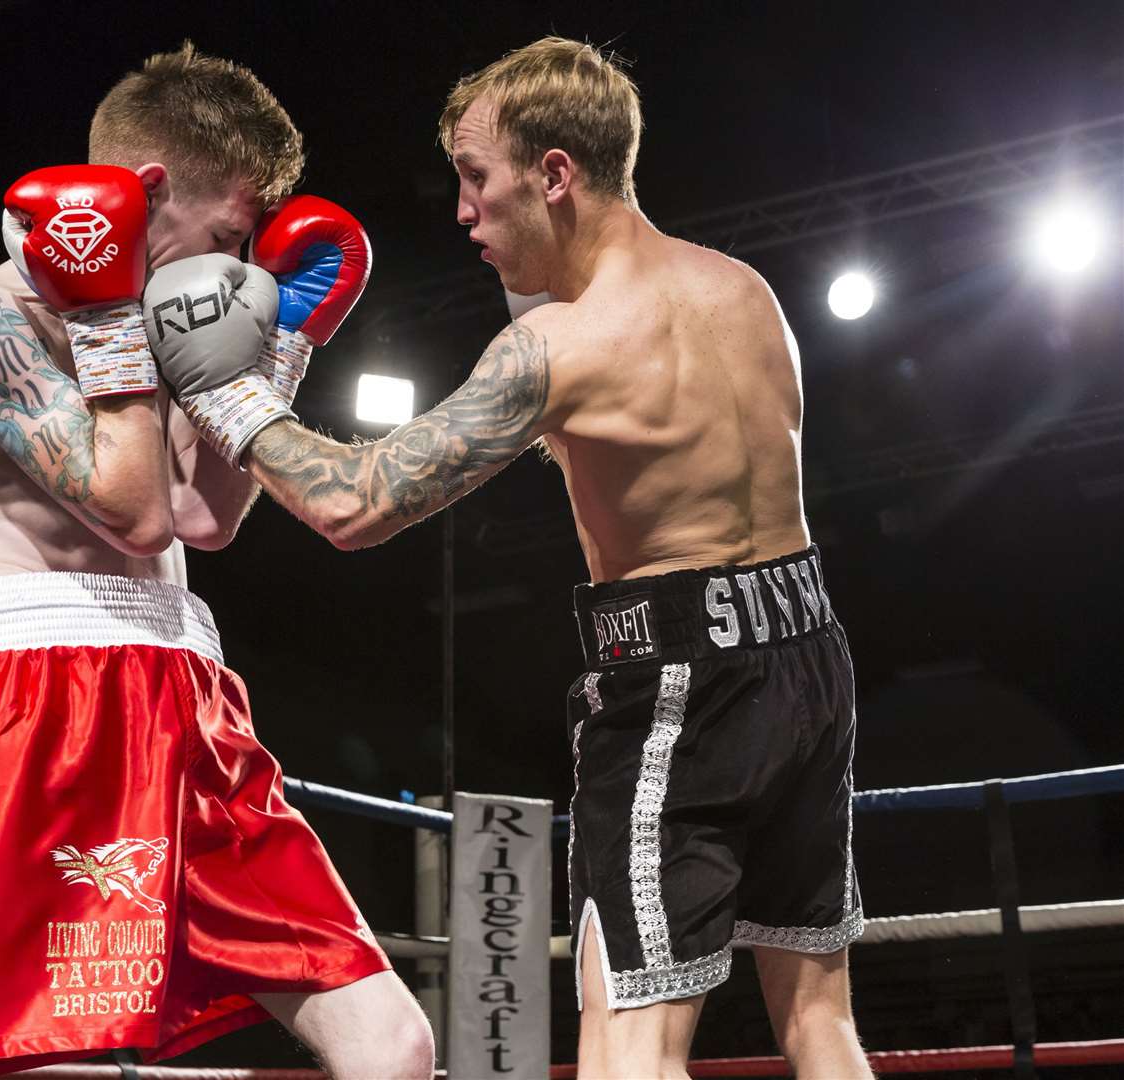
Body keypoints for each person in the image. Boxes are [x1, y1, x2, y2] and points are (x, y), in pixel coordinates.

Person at [157, 36, 873, 1080]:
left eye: (474, 176)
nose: (460, 211)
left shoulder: (561, 350)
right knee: (818, 1022)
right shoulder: (742, 291)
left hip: (678, 684)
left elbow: (354, 506)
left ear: (554, 174)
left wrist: (230, 391)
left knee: (627, 1037)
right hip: (807, 658)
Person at [0, 43, 433, 1080]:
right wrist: (107, 313)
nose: (236, 264)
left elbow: (202, 520)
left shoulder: (173, 315)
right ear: (148, 195)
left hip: (191, 700)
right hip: (42, 699)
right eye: (227, 234)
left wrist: (282, 341)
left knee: (392, 1042)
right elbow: (131, 512)